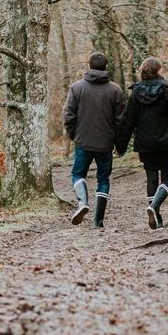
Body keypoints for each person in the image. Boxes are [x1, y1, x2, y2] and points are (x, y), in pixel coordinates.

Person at [115, 57, 168, 230]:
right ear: (159, 71)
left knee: (151, 178)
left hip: (145, 143)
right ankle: (154, 207)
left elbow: (129, 122)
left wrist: (121, 146)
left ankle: (156, 218)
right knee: (167, 177)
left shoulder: (136, 92)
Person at [62, 51, 126, 227]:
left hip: (83, 141)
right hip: (105, 144)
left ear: (89, 66)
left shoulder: (77, 88)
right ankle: (98, 221)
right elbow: (120, 120)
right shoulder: (115, 90)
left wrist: (73, 135)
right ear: (106, 67)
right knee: (103, 179)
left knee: (77, 174)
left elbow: (68, 115)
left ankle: (83, 203)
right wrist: (120, 145)